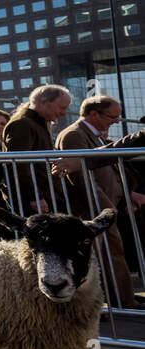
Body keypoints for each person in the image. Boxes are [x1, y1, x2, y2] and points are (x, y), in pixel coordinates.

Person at [55, 95, 143, 309]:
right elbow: (83, 175)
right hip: (94, 209)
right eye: (112, 116)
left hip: (105, 206)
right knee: (94, 257)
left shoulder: (94, 136)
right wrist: (104, 205)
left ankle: (123, 299)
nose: (115, 121)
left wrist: (125, 194)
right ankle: (93, 303)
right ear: (94, 113)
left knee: (113, 254)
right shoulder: (74, 135)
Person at [2, 84, 71, 214]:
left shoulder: (36, 124)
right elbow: (19, 165)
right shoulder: (23, 124)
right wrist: (35, 197)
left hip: (43, 196)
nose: (64, 113)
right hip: (35, 201)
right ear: (43, 103)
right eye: (62, 107)